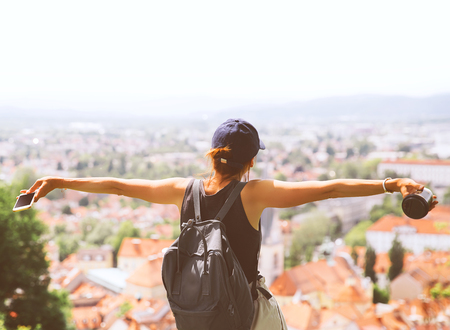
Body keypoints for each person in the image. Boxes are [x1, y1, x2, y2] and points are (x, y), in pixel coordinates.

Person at [22, 118, 438, 329]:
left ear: (212, 155)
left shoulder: (182, 190)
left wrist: (60, 182)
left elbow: (118, 186)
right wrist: (390, 183)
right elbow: (327, 190)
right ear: (251, 160)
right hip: (245, 315)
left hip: (198, 311)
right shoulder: (254, 194)